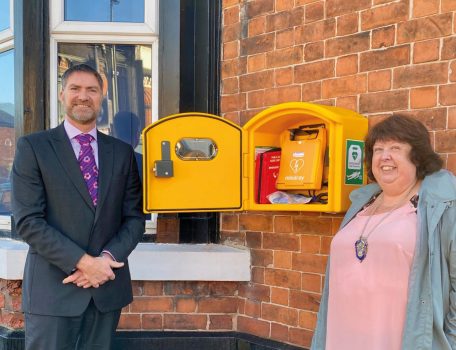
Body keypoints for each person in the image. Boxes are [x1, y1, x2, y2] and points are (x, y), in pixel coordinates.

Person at [11, 64, 145, 350]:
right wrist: (85, 264)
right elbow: (28, 221)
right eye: (75, 88)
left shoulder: (121, 153)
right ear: (62, 95)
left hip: (106, 290)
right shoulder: (33, 147)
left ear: (101, 98)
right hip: (53, 290)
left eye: (92, 90)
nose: (83, 96)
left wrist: (105, 260)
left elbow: (134, 218)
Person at [311, 114, 456, 349]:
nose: (384, 156)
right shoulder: (361, 202)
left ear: (417, 156)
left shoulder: (442, 205)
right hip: (341, 336)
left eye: (395, 148)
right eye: (378, 149)